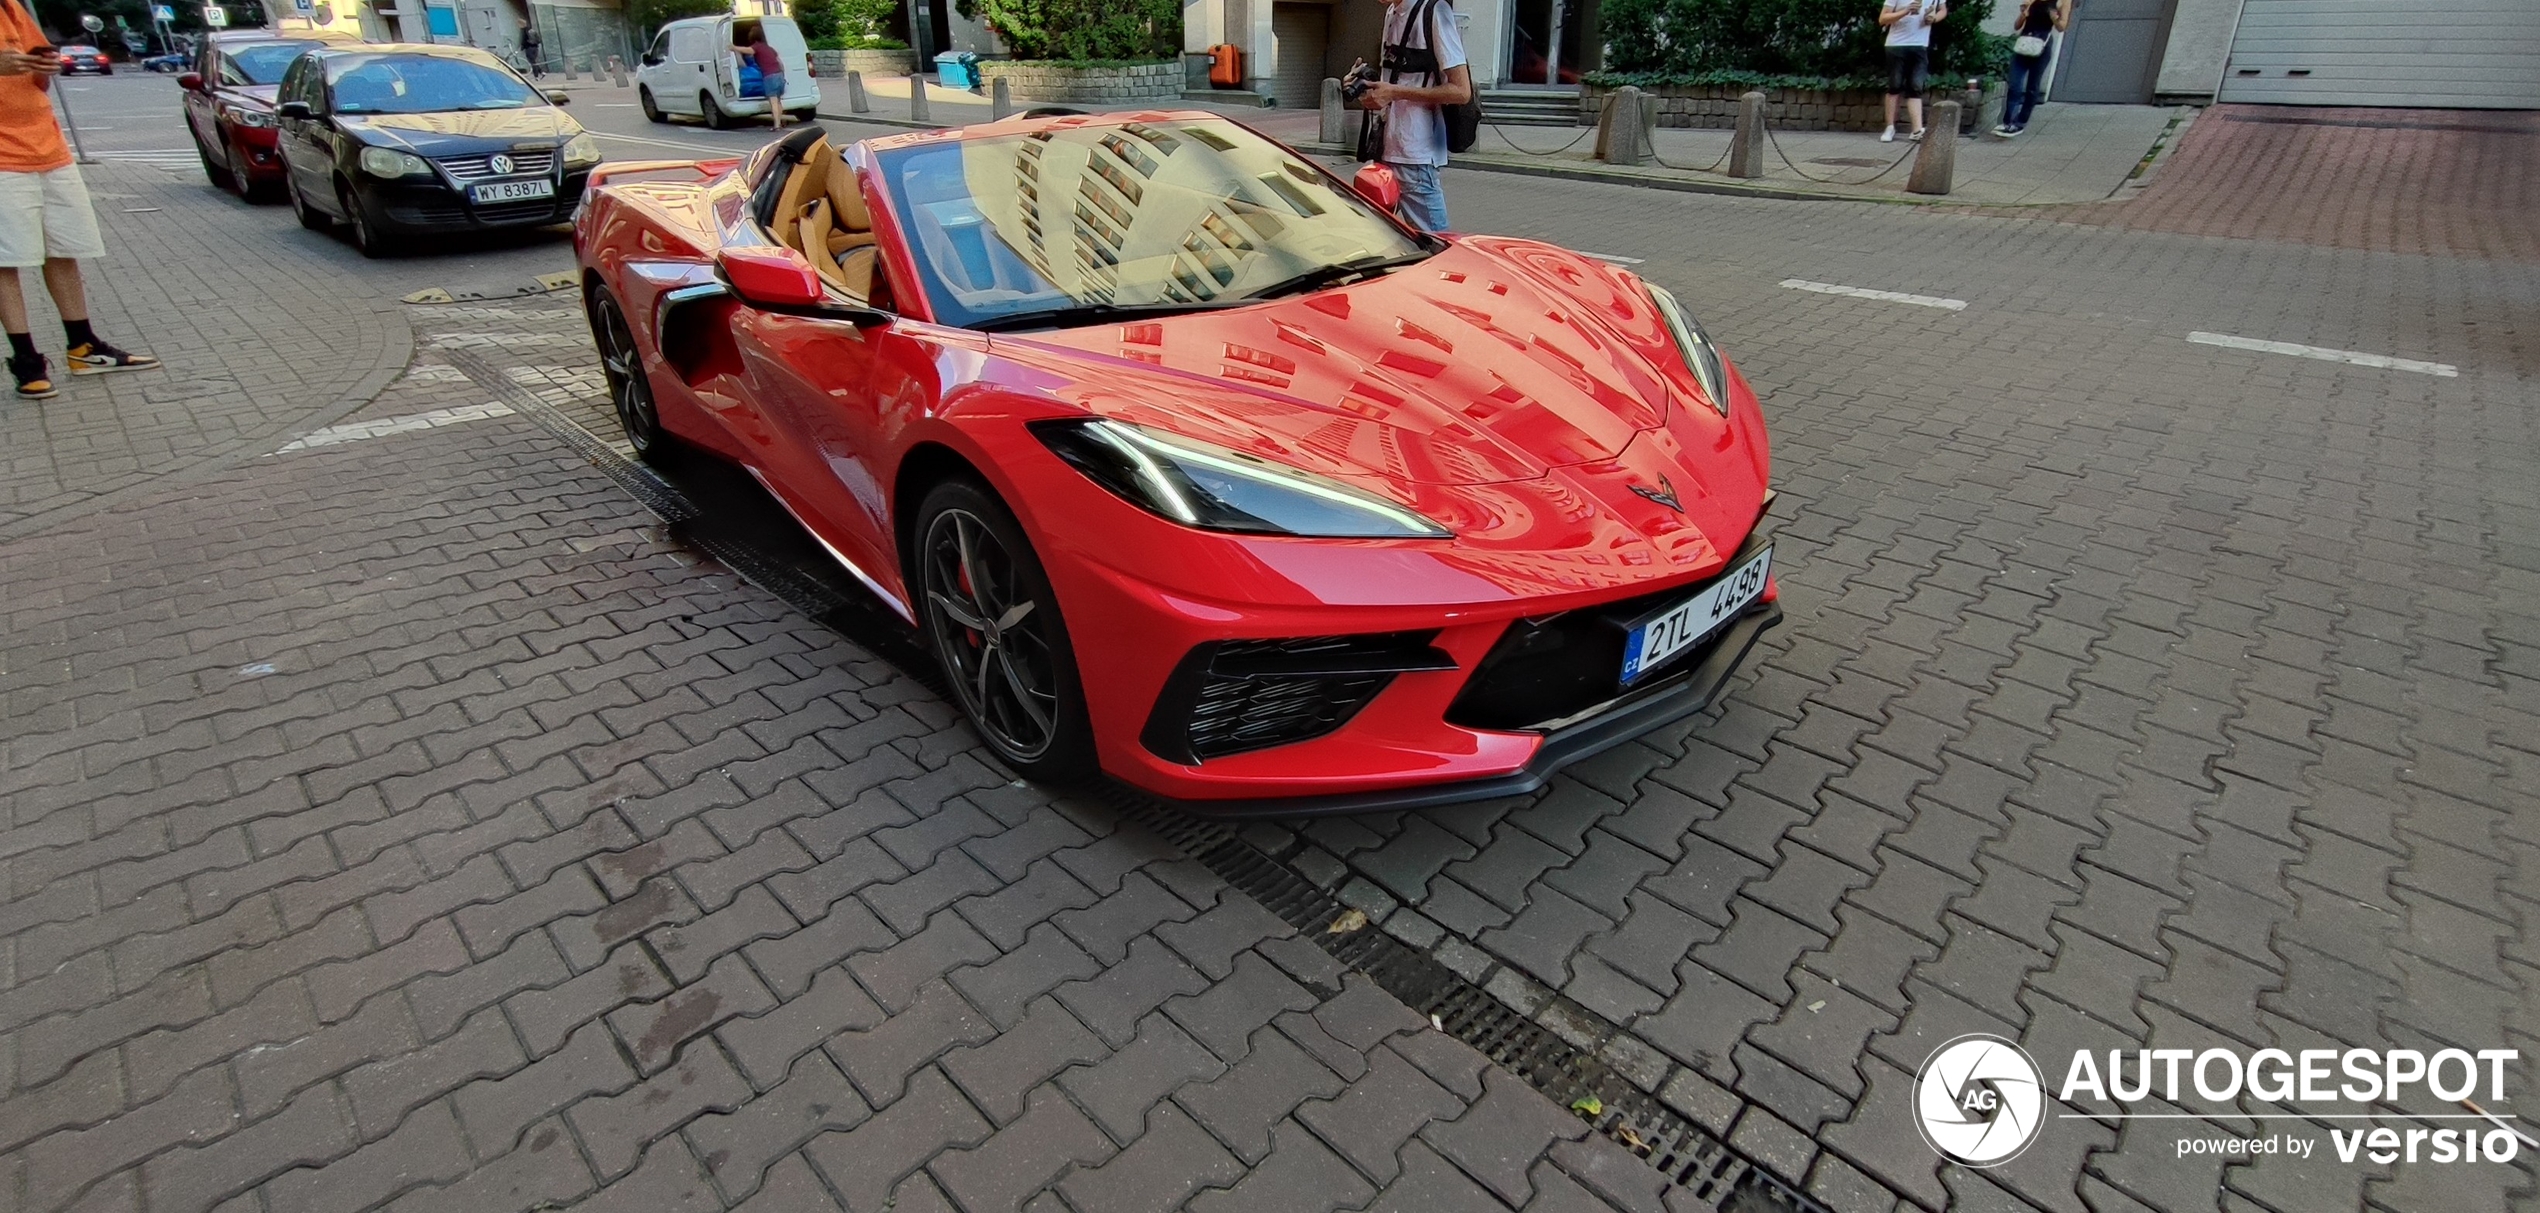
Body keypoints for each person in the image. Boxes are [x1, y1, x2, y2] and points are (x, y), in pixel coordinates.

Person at [1, 0, 156, 400]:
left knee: (65, 248)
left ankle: (83, 347)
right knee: (6, 261)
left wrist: (43, 69)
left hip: (49, 149)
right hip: (3, 160)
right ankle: (26, 361)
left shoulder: (15, 9)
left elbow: (37, 79)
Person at [1354, 0, 1471, 233]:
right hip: (1385, 149)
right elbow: (1397, 79)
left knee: (1438, 247)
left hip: (1417, 156)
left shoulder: (1436, 12)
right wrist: (1366, 86)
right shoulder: (1392, 12)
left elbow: (1461, 91)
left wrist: (1394, 93)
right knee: (1382, 240)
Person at [1995, 0, 2071, 136]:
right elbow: (2017, 25)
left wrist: (2054, 18)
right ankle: (2008, 122)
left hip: (2042, 46)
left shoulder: (2062, 1)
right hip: (2023, 44)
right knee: (2014, 84)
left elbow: (2062, 27)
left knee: (2032, 87)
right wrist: (2023, 14)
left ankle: (2020, 122)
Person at [1878, 0, 1946, 143]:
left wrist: (1933, 18)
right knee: (1894, 86)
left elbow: (1942, 10)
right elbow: (1883, 18)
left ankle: (1916, 130)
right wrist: (1905, 11)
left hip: (1920, 45)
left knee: (1915, 86)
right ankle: (1890, 127)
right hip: (1896, 45)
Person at [739, 27, 784, 129]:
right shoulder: (769, 48)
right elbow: (780, 63)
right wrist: (782, 74)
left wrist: (734, 48)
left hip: (770, 76)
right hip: (779, 74)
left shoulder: (757, 47)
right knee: (778, 100)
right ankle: (780, 122)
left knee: (773, 101)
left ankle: (776, 125)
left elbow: (748, 50)